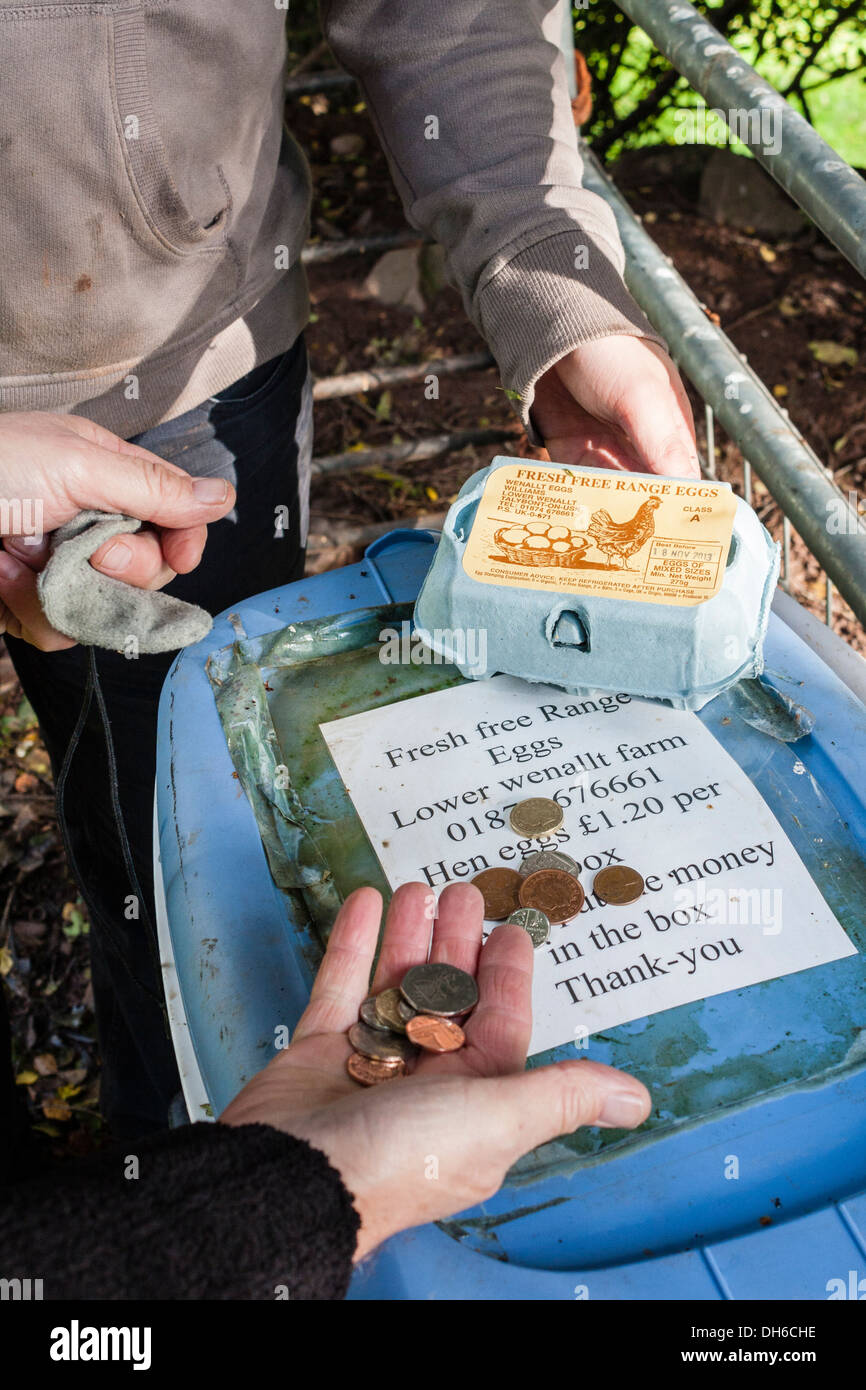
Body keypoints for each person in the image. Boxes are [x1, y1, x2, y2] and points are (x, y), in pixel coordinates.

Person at [0, 0, 698, 1141]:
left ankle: (175, 1158)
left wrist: (554, 283)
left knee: (173, 862)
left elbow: (455, 16)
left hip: (184, 394)